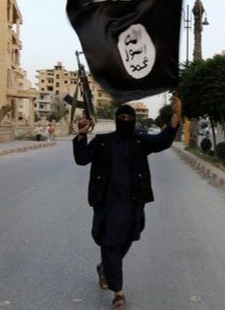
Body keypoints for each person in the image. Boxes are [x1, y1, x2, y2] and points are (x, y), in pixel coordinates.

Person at [73, 96, 182, 310]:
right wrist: (81, 134)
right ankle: (119, 293)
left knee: (128, 238)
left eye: (128, 117)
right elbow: (82, 159)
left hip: (133, 202)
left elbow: (163, 141)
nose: (125, 120)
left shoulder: (140, 141)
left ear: (133, 120)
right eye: (121, 117)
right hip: (107, 202)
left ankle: (106, 267)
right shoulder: (104, 141)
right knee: (110, 243)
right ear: (116, 120)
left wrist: (176, 115)